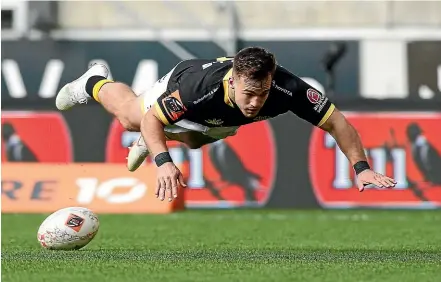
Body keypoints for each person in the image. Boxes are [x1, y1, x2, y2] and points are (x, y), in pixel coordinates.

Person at [55, 46, 397, 202]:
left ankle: (156, 138)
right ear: (232, 81)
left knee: (194, 141)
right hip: (182, 81)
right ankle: (92, 81)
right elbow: (150, 117)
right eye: (249, 93)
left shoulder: (287, 89)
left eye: (262, 94)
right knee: (133, 119)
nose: (255, 103)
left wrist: (361, 167)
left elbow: (337, 123)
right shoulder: (196, 90)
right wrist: (162, 163)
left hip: (214, 121)